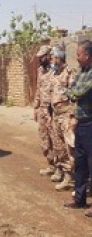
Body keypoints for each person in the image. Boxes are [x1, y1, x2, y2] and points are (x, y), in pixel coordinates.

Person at [63, 40, 92, 217]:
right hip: (80, 124)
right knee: (80, 164)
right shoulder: (81, 72)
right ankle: (79, 199)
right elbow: (72, 89)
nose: (77, 57)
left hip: (90, 124)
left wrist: (71, 92)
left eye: (79, 54)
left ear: (87, 56)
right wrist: (71, 91)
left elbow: (78, 92)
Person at [49, 47, 75, 190]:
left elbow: (74, 96)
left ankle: (73, 176)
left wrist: (72, 116)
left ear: (59, 58)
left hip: (65, 115)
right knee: (58, 146)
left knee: (69, 148)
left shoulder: (68, 73)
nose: (52, 60)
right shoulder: (55, 74)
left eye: (53, 57)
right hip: (56, 115)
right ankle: (63, 173)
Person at [33, 45, 55, 176]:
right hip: (42, 110)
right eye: (39, 57)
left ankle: (61, 169)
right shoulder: (40, 70)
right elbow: (38, 89)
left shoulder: (56, 70)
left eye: (42, 56)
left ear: (48, 55)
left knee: (56, 140)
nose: (40, 59)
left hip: (52, 110)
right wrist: (35, 107)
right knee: (44, 139)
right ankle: (51, 165)